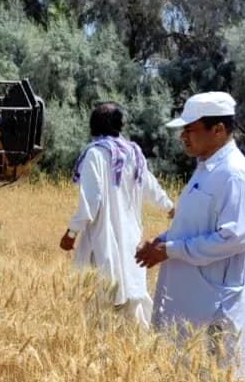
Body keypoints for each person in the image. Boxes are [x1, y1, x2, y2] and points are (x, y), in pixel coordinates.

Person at [135, 92, 245, 382]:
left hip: (212, 305)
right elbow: (194, 225)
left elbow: (235, 237)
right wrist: (163, 241)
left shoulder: (234, 174)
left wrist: (170, 250)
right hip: (191, 302)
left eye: (190, 130)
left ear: (218, 130)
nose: (183, 137)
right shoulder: (206, 169)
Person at [61, 103, 174, 325]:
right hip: (131, 237)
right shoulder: (133, 153)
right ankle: (140, 349)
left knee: (99, 303)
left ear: (93, 126)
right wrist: (170, 207)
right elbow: (151, 186)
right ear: (120, 126)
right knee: (132, 299)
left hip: (104, 236)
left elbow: (91, 202)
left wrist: (71, 233)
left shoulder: (95, 154)